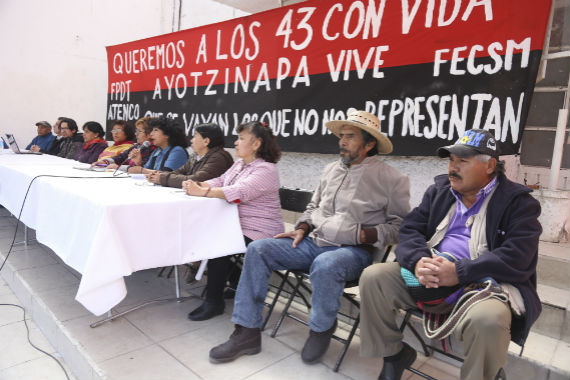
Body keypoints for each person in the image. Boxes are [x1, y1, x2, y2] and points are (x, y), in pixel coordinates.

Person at [209, 110, 411, 365]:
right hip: (313, 242)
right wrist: (302, 227)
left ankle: (321, 328)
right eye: (341, 136)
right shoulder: (330, 170)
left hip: (353, 252)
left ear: (369, 143)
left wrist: (364, 234)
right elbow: (313, 207)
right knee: (259, 249)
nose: (342, 141)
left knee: (325, 265)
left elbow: (401, 226)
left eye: (350, 137)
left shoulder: (392, 178)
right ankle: (246, 332)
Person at [358, 129, 542, 380]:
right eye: (451, 160)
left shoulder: (519, 203)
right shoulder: (440, 191)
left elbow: (518, 255)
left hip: (481, 285)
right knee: (374, 277)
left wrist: (459, 273)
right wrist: (418, 261)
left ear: (489, 166)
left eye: (462, 161)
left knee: (490, 320)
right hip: (431, 275)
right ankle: (393, 354)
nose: (452, 168)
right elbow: (411, 228)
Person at [182, 120, 284, 321]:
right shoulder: (240, 164)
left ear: (256, 144)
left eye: (241, 138)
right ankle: (235, 281)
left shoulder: (266, 170)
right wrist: (198, 183)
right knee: (203, 235)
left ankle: (214, 302)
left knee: (218, 245)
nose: (236, 143)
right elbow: (221, 181)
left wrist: (204, 192)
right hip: (235, 225)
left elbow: (239, 191)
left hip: (260, 231)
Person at [147, 123, 233, 187]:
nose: (192, 140)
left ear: (206, 141)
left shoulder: (218, 158)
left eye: (195, 136)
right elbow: (179, 172)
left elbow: (196, 179)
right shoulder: (195, 155)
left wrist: (162, 178)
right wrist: (158, 175)